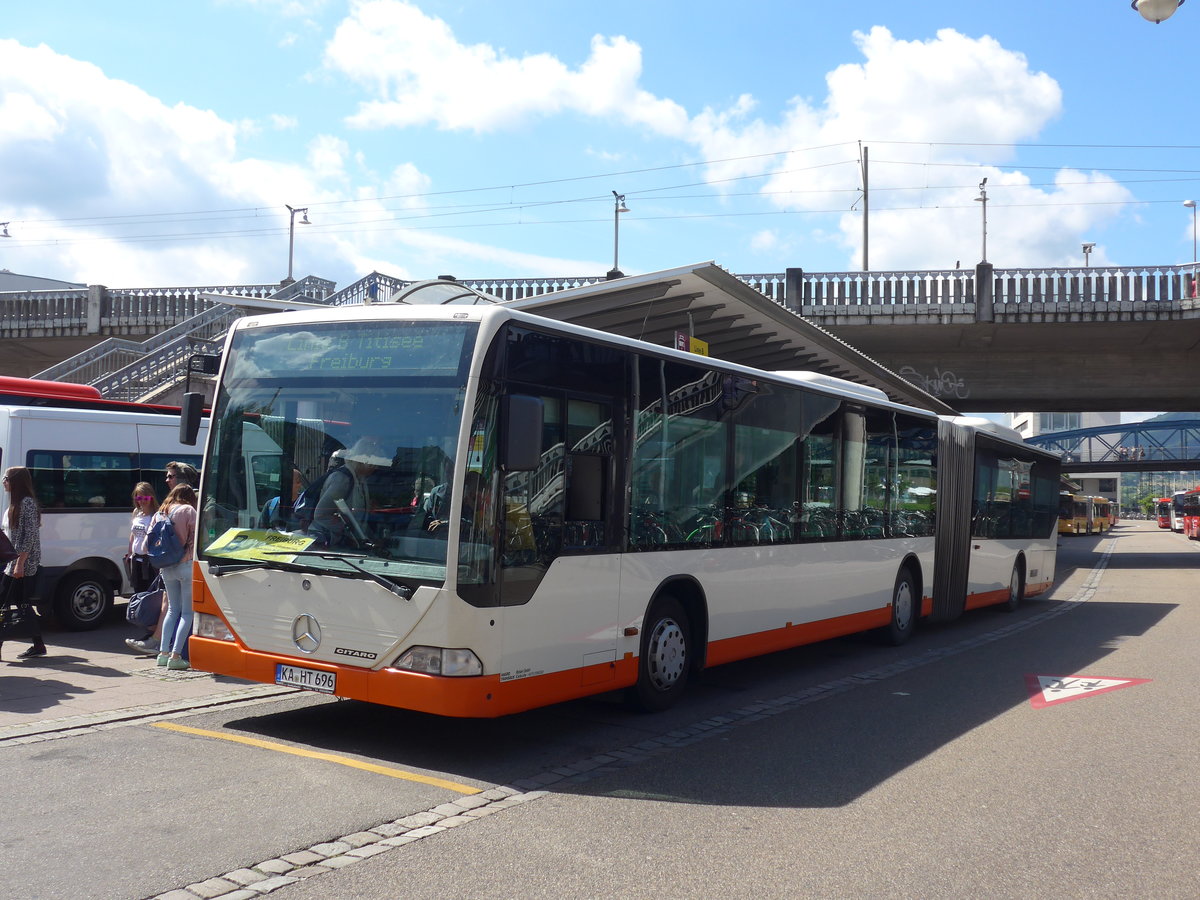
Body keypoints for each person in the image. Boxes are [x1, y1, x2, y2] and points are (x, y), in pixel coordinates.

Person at [0, 466, 46, 661]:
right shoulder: (15, 503)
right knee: (20, 603)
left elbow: (30, 536)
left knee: (4, 602)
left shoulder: (26, 503)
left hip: (21, 563)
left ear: (16, 481)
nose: (3, 482)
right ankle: (38, 644)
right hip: (14, 561)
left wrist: (20, 564)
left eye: (6, 478)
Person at [310, 437, 390, 547]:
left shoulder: (360, 480)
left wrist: (370, 538)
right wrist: (348, 534)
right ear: (364, 461)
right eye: (373, 464)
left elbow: (359, 522)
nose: (375, 468)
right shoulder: (342, 480)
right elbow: (320, 515)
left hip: (353, 544)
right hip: (334, 546)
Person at [155, 481, 198, 671]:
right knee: (187, 613)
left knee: (172, 610)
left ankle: (163, 654)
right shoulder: (188, 510)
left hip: (166, 565)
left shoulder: (161, 511)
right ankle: (176, 656)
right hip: (186, 564)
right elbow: (198, 536)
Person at [124, 483, 163, 654]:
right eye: (138, 498)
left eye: (145, 498)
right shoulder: (137, 513)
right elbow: (133, 534)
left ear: (151, 498)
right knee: (138, 596)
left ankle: (153, 636)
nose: (141, 502)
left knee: (150, 598)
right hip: (137, 560)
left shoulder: (156, 515)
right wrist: (129, 552)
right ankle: (149, 634)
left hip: (149, 561)